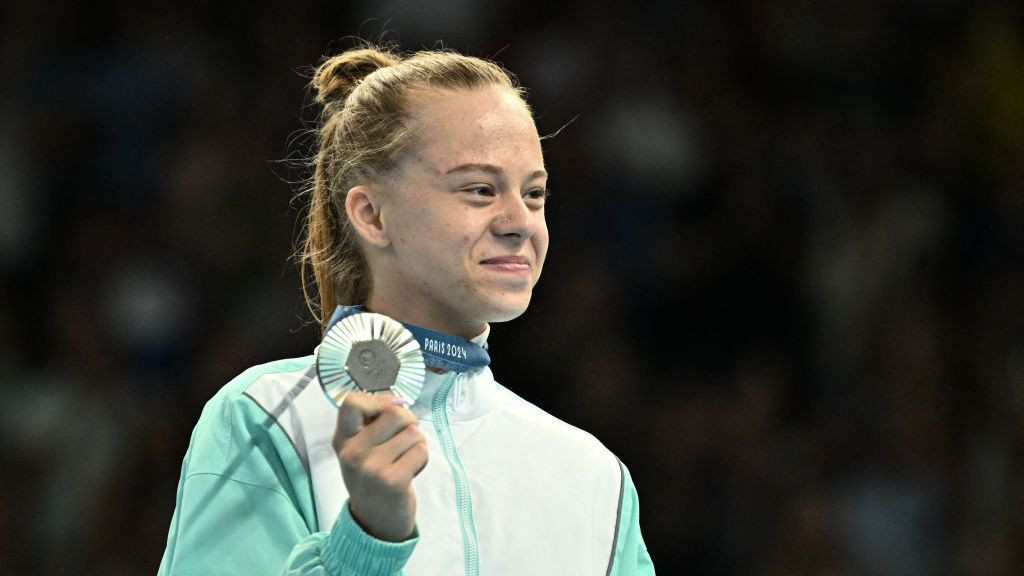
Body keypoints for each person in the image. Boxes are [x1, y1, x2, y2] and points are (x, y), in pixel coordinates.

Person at [157, 44, 654, 576]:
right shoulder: (268, 421)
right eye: (480, 189)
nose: (519, 222)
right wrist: (367, 541)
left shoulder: (595, 478)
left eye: (534, 194)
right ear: (371, 215)